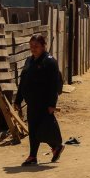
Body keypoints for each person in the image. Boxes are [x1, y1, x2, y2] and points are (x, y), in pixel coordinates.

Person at [16, 33, 65, 166]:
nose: (33, 49)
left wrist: (51, 104)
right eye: (31, 46)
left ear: (43, 46)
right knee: (33, 129)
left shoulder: (50, 62)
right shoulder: (29, 61)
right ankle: (33, 156)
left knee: (44, 128)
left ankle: (56, 146)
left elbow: (54, 85)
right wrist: (17, 100)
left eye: (36, 46)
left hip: (44, 103)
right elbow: (23, 82)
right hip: (32, 102)